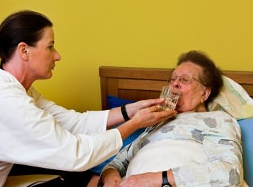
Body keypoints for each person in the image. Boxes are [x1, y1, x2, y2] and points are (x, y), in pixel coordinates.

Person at [0, 10, 176, 187]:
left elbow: (73, 122)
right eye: (50, 47)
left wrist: (131, 110)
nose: (57, 55)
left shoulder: (19, 91)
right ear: (24, 51)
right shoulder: (7, 102)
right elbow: (76, 155)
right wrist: (135, 123)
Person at [98, 50, 243, 187]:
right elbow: (116, 164)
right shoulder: (155, 122)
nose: (175, 83)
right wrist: (112, 179)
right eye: (173, 79)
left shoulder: (218, 119)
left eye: (185, 80)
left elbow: (230, 173)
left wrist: (157, 179)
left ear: (204, 94)